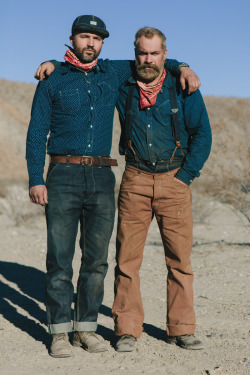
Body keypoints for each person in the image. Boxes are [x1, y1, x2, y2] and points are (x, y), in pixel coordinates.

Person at [27, 15, 200, 358]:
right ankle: (60, 332)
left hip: (103, 177)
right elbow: (36, 133)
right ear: (72, 39)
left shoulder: (113, 71)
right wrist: (36, 178)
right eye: (83, 37)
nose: (90, 43)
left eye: (96, 38)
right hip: (61, 174)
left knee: (96, 261)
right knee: (60, 258)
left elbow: (153, 60)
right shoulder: (52, 79)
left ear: (102, 43)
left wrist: (185, 67)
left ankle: (86, 329)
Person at [112, 27, 212, 352]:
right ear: (135, 53)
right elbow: (89, 66)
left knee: (180, 260)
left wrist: (186, 176)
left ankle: (181, 328)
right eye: (143, 53)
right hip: (135, 179)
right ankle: (127, 329)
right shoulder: (122, 82)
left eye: (155, 54)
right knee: (127, 260)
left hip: (175, 181)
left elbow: (202, 135)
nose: (148, 59)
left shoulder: (182, 86)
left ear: (164, 55)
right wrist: (55, 62)